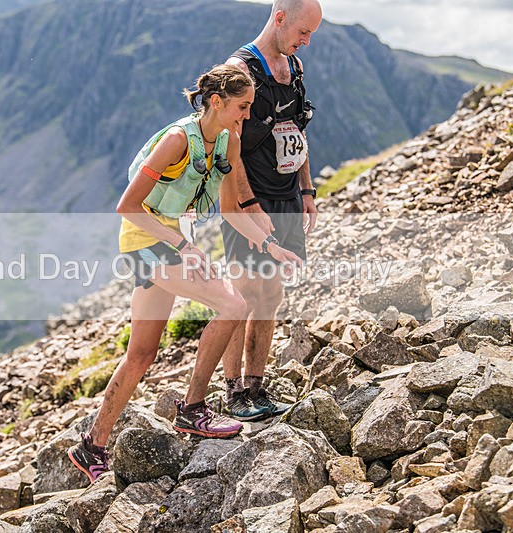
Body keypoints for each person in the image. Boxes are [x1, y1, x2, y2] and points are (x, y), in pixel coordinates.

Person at [68, 64, 302, 483]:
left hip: (167, 240)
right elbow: (127, 206)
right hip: (145, 241)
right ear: (216, 102)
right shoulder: (178, 140)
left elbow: (231, 209)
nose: (246, 117)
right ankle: (193, 410)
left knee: (140, 354)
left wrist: (269, 246)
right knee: (233, 303)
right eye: (242, 107)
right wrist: (182, 246)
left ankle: (91, 446)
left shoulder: (227, 142)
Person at [220, 0, 323, 421]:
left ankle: (256, 388)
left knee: (272, 292)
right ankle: (231, 393)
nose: (306, 41)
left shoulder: (294, 69)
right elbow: (229, 143)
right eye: (303, 32)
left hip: (287, 198)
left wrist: (308, 190)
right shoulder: (242, 69)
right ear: (279, 18)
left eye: (312, 34)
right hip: (250, 199)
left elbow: (297, 132)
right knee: (243, 295)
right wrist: (248, 204)